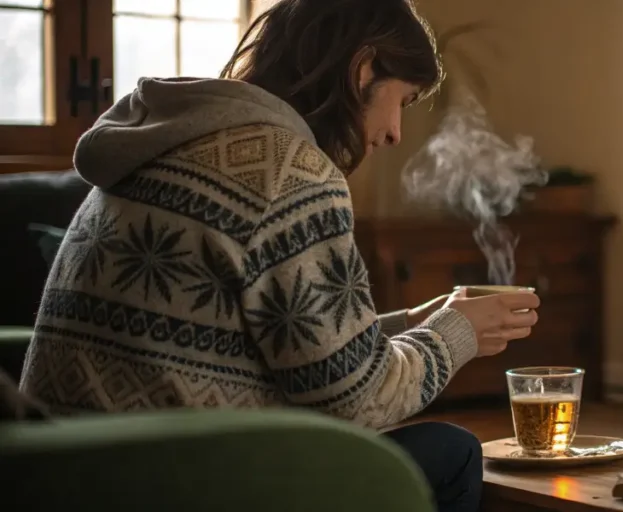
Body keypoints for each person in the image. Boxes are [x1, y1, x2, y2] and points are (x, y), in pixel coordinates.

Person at [18, 1, 540, 510]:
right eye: (401, 101)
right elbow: (358, 401)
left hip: (64, 471)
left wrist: (410, 324)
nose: (393, 133)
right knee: (451, 453)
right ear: (363, 68)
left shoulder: (170, 145)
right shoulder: (289, 171)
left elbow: (270, 347)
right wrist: (456, 334)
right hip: (166, 480)